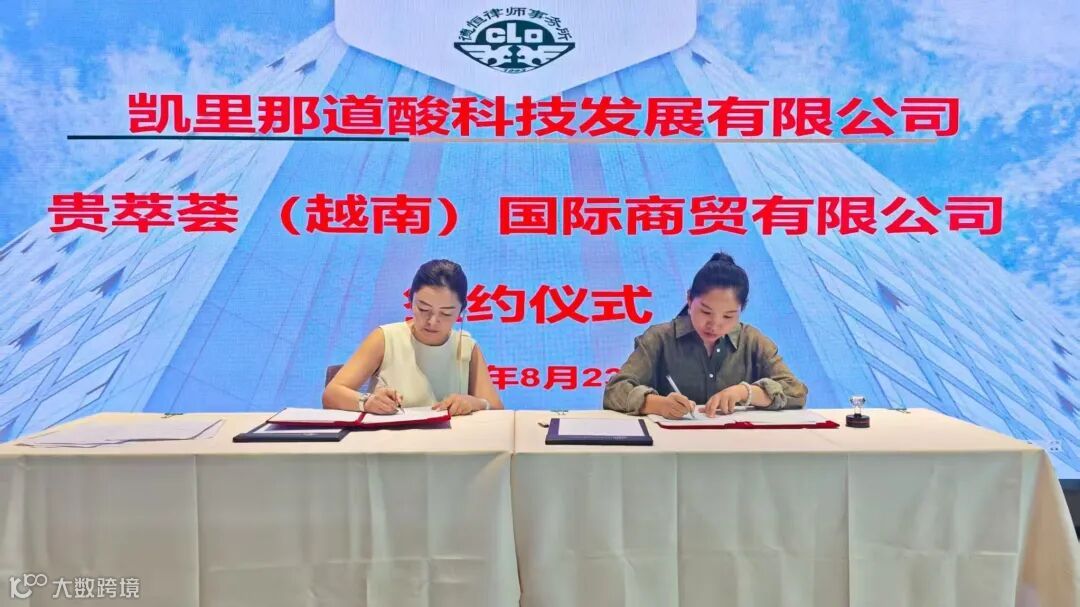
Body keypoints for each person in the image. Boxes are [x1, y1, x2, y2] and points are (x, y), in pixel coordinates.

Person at [603, 252, 807, 419]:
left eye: (728, 316)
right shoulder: (660, 338)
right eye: (706, 312)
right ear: (689, 300)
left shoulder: (752, 340)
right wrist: (658, 404)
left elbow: (796, 390)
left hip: (739, 446)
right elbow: (615, 390)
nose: (715, 325)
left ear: (741, 310)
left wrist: (746, 392)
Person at [322, 259, 503, 416]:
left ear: (462, 310)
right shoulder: (385, 338)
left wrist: (476, 403)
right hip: (389, 441)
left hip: (448, 443)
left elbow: (497, 410)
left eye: (446, 313)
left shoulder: (466, 347)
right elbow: (332, 394)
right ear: (410, 300)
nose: (432, 321)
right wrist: (367, 401)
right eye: (423, 309)